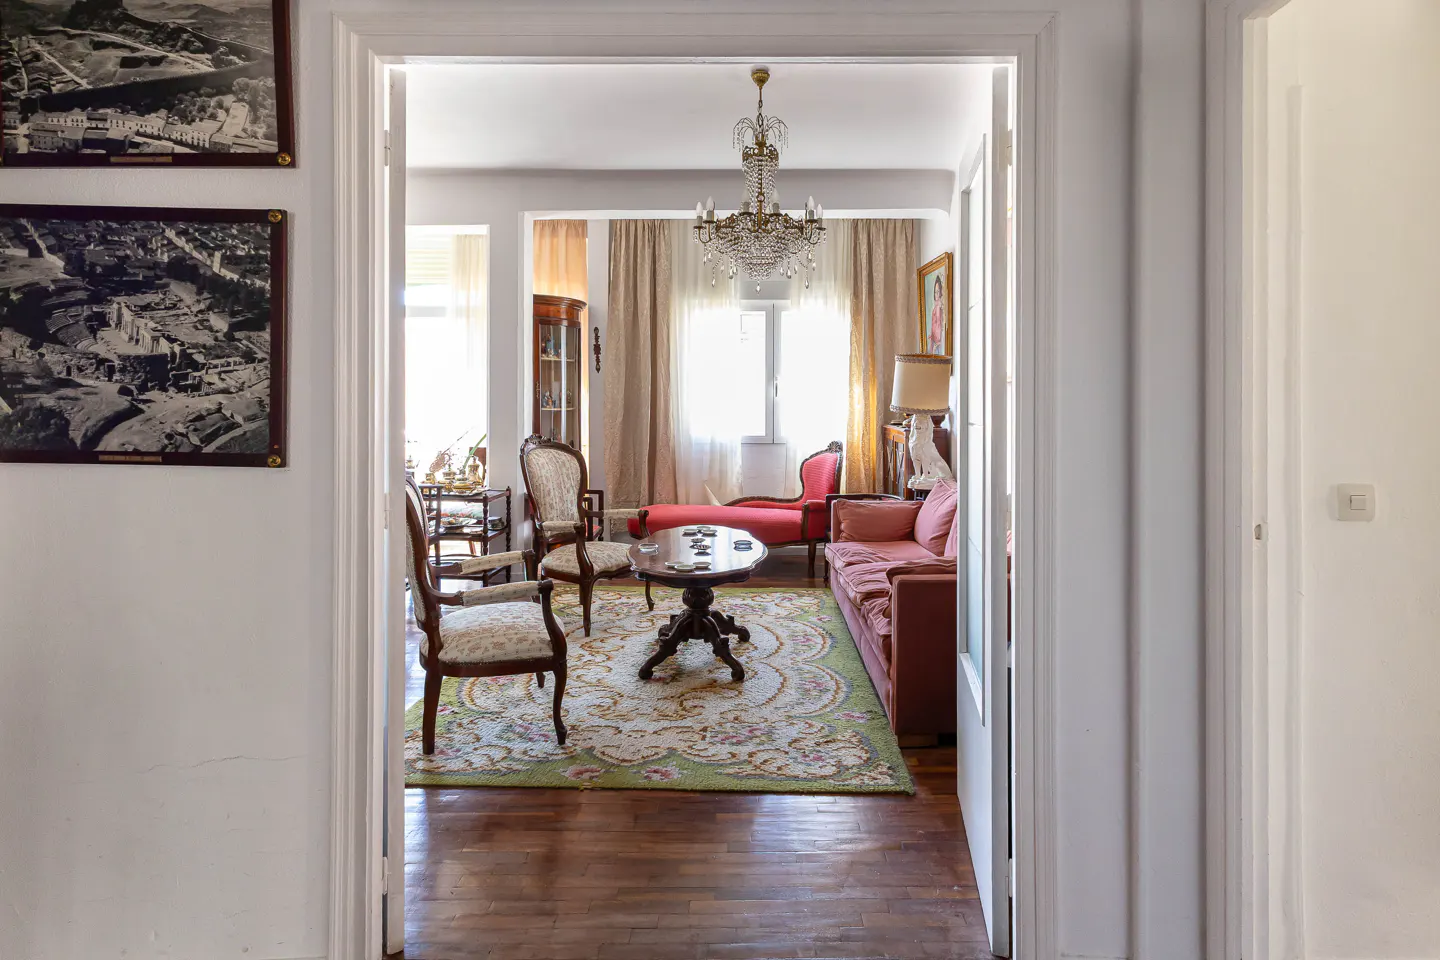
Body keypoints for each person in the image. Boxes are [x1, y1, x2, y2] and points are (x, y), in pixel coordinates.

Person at [928, 273, 947, 353]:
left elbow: (939, 324)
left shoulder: (939, 307)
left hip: (937, 341)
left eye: (938, 292)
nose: (937, 294)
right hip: (934, 340)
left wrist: (938, 342)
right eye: (935, 292)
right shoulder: (936, 307)